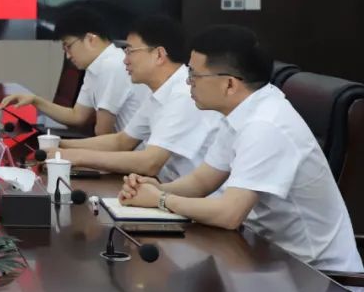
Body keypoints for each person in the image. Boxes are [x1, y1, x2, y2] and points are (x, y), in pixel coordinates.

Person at [120, 25, 363, 273]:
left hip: (315, 276)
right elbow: (202, 181)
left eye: (194, 75)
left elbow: (229, 214)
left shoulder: (266, 125)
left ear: (229, 84)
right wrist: (154, 188)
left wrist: (161, 200)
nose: (188, 82)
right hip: (263, 255)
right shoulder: (241, 111)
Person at [54, 16, 221, 182]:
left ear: (159, 55)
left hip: (196, 195)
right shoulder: (159, 91)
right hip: (168, 187)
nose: (125, 60)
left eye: (130, 51)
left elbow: (150, 162)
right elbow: (122, 141)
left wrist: (76, 156)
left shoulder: (183, 94)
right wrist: (59, 145)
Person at [1, 6, 147, 135]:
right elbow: (77, 116)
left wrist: (62, 146)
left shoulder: (112, 65)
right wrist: (35, 100)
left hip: (136, 154)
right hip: (120, 150)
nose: (68, 56)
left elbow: (102, 133)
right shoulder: (96, 67)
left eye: (68, 46)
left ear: (91, 39)